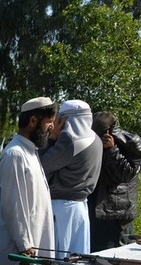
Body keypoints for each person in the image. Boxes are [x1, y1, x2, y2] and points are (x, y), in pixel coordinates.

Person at [0, 97, 57, 265]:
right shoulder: (16, 155)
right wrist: (25, 245)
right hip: (20, 252)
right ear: (33, 121)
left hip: (31, 246)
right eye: (49, 122)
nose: (52, 127)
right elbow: (14, 207)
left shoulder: (30, 152)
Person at [39, 99, 102, 256]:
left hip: (61, 207)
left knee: (58, 255)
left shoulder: (70, 140)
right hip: (80, 206)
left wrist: (52, 138)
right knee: (76, 254)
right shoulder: (96, 139)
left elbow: (41, 166)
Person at [88, 111, 141, 251]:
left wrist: (111, 150)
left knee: (113, 254)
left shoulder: (131, 142)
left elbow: (126, 174)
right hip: (94, 206)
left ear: (108, 132)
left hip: (115, 213)